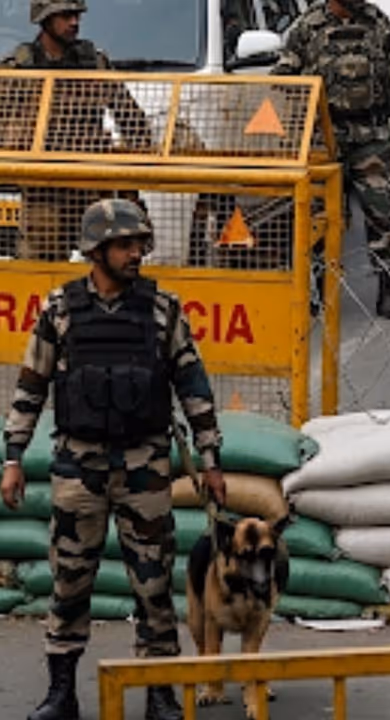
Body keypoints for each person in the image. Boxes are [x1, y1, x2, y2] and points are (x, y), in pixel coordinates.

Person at [1, 199, 228, 720]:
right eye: (126, 244)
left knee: (152, 584)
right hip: (78, 468)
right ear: (96, 250)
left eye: (140, 243)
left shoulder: (161, 310)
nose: (136, 253)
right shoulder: (60, 310)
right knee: (69, 582)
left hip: (144, 467)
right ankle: (61, 695)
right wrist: (13, 457)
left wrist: (211, 458)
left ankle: (160, 693)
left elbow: (193, 384)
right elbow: (31, 386)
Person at [272, 0, 390, 320]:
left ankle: (388, 289)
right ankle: (317, 290)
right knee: (318, 219)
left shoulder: (376, 23)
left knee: (381, 213)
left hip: (370, 137)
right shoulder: (307, 26)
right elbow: (282, 80)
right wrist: (293, 128)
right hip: (322, 141)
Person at [2, 0, 152, 262]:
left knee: (104, 261)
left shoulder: (94, 63)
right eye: (65, 16)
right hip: (43, 185)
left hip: (89, 181)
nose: (74, 22)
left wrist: (136, 171)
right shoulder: (19, 69)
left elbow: (131, 119)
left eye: (76, 15)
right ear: (45, 19)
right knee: (40, 263)